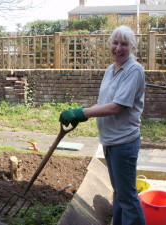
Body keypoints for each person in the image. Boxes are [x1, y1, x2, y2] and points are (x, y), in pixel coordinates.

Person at [59, 25, 146, 225]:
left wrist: (81, 113)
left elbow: (116, 107)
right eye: (115, 43)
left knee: (128, 197)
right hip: (109, 140)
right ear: (109, 45)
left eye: (124, 44)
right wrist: (81, 113)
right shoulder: (111, 69)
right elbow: (105, 102)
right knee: (120, 193)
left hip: (124, 142)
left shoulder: (134, 70)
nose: (118, 48)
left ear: (132, 46)